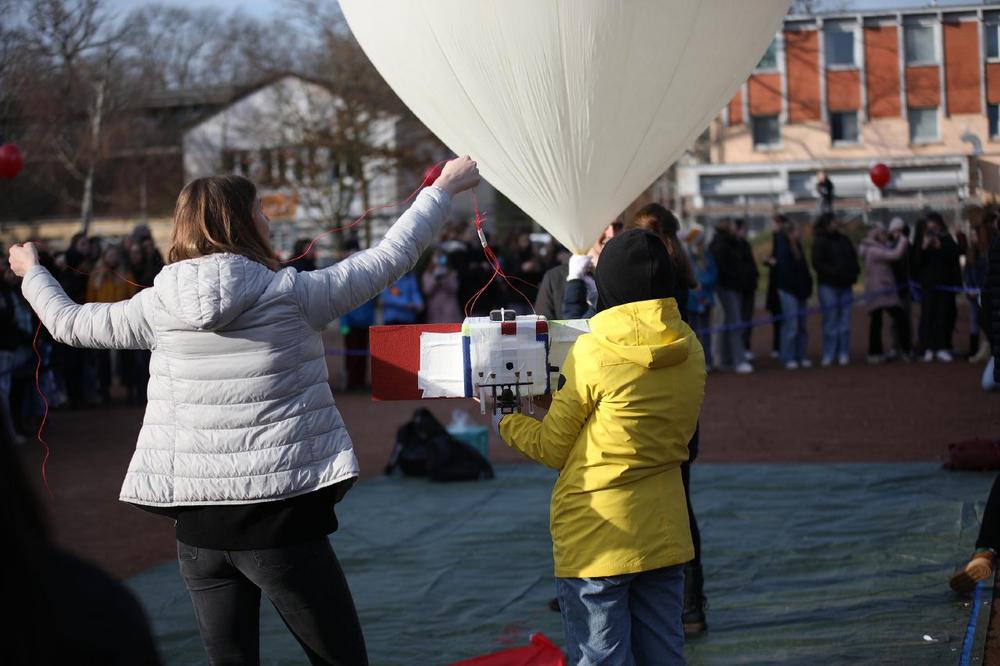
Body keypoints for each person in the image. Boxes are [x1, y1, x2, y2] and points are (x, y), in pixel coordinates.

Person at [8, 156, 481, 665]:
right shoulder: (292, 293)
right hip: (281, 526)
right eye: (261, 210)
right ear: (240, 222)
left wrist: (31, 271)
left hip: (198, 535)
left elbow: (68, 323)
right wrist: (442, 191)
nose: (270, 220)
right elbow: (392, 255)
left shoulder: (156, 304)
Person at [496, 229, 705, 663]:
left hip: (598, 542)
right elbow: (628, 417)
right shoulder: (691, 347)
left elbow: (553, 447)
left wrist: (507, 417)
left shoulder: (594, 351)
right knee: (665, 655)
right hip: (665, 533)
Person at [535, 221, 621, 320]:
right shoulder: (555, 278)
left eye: (618, 226)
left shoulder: (629, 274)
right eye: (603, 226)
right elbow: (543, 330)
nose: (612, 233)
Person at [85, 245, 138, 404]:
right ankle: (105, 392)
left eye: (115, 255)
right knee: (103, 360)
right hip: (102, 321)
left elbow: (134, 296)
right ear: (104, 257)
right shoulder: (96, 276)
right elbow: (90, 299)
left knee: (127, 357)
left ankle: (130, 390)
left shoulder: (125, 274)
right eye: (109, 255)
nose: (112, 258)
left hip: (122, 321)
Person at [859, 220, 911, 364]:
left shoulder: (877, 247)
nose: (885, 236)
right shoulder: (874, 250)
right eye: (882, 233)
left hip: (883, 290)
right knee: (888, 319)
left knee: (881, 320)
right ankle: (880, 352)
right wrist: (903, 240)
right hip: (880, 291)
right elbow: (894, 254)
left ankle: (878, 352)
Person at [811, 214, 859, 367]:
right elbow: (818, 263)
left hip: (845, 285)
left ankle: (843, 352)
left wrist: (853, 274)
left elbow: (853, 258)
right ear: (827, 224)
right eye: (833, 221)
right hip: (828, 286)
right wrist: (835, 272)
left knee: (845, 322)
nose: (837, 223)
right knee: (830, 321)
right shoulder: (820, 241)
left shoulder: (844, 240)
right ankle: (829, 353)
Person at [913, 212, 962, 362]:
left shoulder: (946, 239)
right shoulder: (922, 241)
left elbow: (955, 254)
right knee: (927, 317)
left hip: (944, 286)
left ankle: (942, 347)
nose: (933, 231)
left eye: (935, 227)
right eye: (930, 228)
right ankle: (927, 348)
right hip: (928, 286)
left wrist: (939, 245)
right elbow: (915, 263)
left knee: (943, 317)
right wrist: (924, 246)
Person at [709, 219, 755, 374]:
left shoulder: (731, 243)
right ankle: (738, 360)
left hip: (733, 287)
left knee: (730, 323)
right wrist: (739, 278)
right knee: (735, 323)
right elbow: (727, 268)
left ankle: (727, 359)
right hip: (728, 288)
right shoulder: (722, 244)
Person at [772, 217, 813, 369]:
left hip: (800, 291)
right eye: (797, 231)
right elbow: (785, 273)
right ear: (790, 232)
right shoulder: (783, 247)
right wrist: (796, 288)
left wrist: (807, 287)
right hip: (789, 291)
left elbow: (804, 270)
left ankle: (800, 355)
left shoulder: (798, 247)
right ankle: (788, 356)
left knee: (801, 325)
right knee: (791, 325)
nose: (800, 233)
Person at [687, 226, 717, 371]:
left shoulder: (708, 256)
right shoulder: (688, 258)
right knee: (695, 333)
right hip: (693, 302)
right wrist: (697, 291)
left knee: (707, 333)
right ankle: (696, 363)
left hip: (706, 300)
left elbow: (713, 275)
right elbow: (689, 280)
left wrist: (702, 287)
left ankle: (708, 360)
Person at [733, 219, 760, 361]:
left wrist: (754, 278)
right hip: (739, 289)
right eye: (743, 229)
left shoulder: (746, 244)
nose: (745, 232)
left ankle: (746, 347)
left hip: (749, 287)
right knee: (739, 319)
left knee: (748, 319)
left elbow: (751, 265)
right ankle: (739, 350)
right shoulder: (733, 246)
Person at [422, 249, 462, 323]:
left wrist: (445, 279)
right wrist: (435, 279)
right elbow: (427, 291)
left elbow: (454, 288)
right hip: (435, 309)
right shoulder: (427, 274)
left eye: (441, 256)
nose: (439, 258)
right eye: (437, 256)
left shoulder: (451, 272)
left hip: (450, 308)